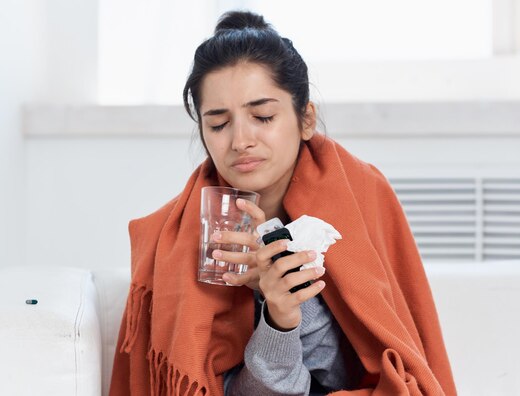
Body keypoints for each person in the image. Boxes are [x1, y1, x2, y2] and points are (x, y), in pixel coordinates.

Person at [110, 10, 456, 396]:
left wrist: (290, 297)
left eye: (262, 116)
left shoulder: (363, 195)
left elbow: (365, 374)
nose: (240, 140)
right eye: (219, 124)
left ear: (306, 118)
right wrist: (276, 317)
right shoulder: (177, 236)